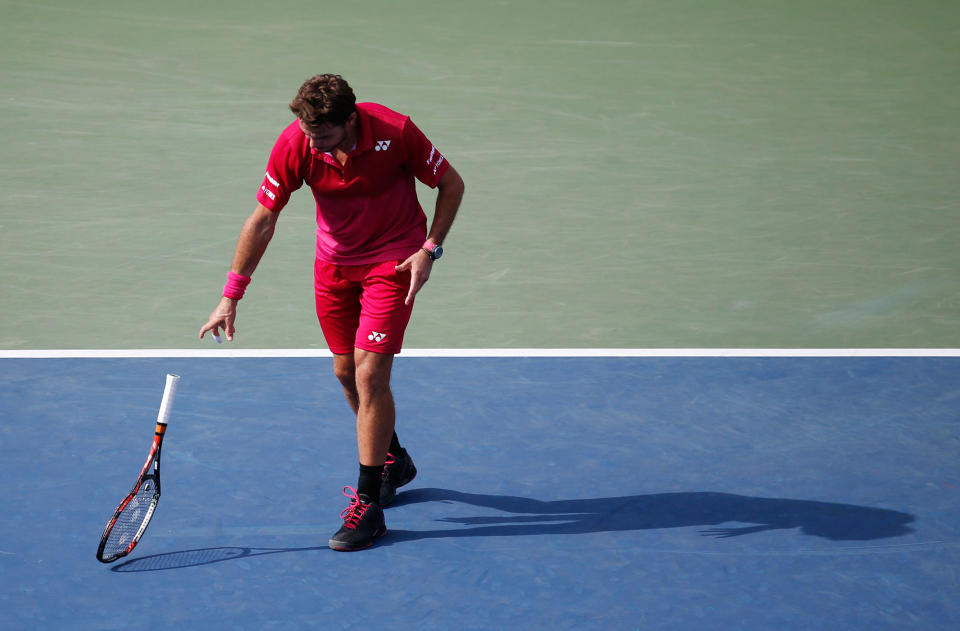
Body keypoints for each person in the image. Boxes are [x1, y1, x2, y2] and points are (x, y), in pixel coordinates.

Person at [198, 74, 464, 551]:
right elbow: (262, 220)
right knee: (345, 373)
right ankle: (392, 460)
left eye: (322, 134)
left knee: (370, 377)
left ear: (350, 120)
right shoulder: (297, 142)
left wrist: (429, 249)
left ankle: (369, 506)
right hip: (334, 267)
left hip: (393, 261)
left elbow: (450, 183)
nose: (312, 141)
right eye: (306, 132)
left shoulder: (395, 130)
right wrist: (230, 295)